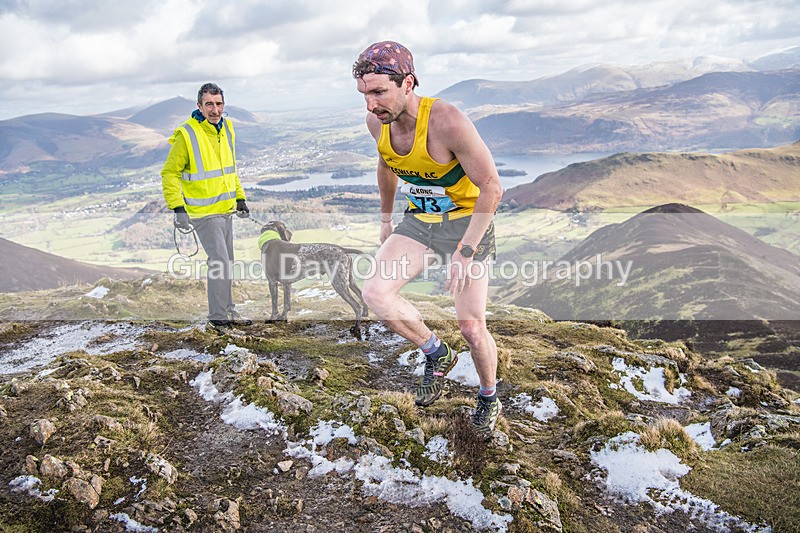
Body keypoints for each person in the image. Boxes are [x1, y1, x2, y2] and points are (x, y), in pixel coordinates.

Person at [353, 41, 504, 436]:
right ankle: (436, 352)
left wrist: (466, 250)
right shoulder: (378, 122)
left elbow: (491, 187)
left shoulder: (446, 121)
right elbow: (387, 166)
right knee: (376, 294)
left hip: (466, 222)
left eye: (379, 92)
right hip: (420, 220)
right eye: (365, 94)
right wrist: (386, 220)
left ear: (408, 82)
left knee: (471, 326)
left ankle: (489, 395)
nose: (371, 105)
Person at [161, 82, 252, 333]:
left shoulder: (227, 128)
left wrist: (240, 198)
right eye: (209, 104)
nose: (215, 109)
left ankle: (228, 309)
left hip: (226, 210)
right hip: (203, 213)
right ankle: (217, 318)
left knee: (228, 261)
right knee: (220, 261)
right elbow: (169, 173)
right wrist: (178, 208)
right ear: (199, 106)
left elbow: (230, 168)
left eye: (219, 103)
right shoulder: (186, 134)